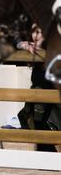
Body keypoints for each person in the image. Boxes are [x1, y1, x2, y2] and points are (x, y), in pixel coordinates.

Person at [16, 24, 58, 152]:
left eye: (39, 32)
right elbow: (13, 41)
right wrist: (22, 45)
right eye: (34, 31)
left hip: (49, 92)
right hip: (37, 91)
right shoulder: (32, 46)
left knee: (41, 123)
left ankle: (48, 156)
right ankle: (45, 156)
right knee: (31, 120)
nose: (35, 35)